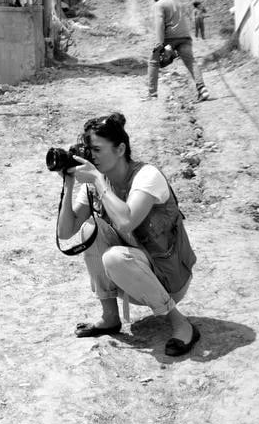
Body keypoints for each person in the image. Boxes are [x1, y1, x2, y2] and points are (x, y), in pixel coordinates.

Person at [56, 113, 201, 357]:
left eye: (97, 149)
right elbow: (65, 232)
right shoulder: (95, 183)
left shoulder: (147, 176)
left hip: (168, 278)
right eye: (88, 150)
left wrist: (97, 181)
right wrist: (69, 182)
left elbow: (126, 220)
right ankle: (110, 317)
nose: (91, 156)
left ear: (120, 148)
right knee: (90, 228)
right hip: (132, 276)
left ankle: (181, 323)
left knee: (114, 257)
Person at [150, 0, 208, 101]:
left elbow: (160, 22)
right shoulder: (176, 4)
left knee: (153, 61)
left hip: (170, 38)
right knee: (191, 62)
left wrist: (159, 43)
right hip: (185, 37)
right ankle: (202, 89)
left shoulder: (158, 5)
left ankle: (152, 94)